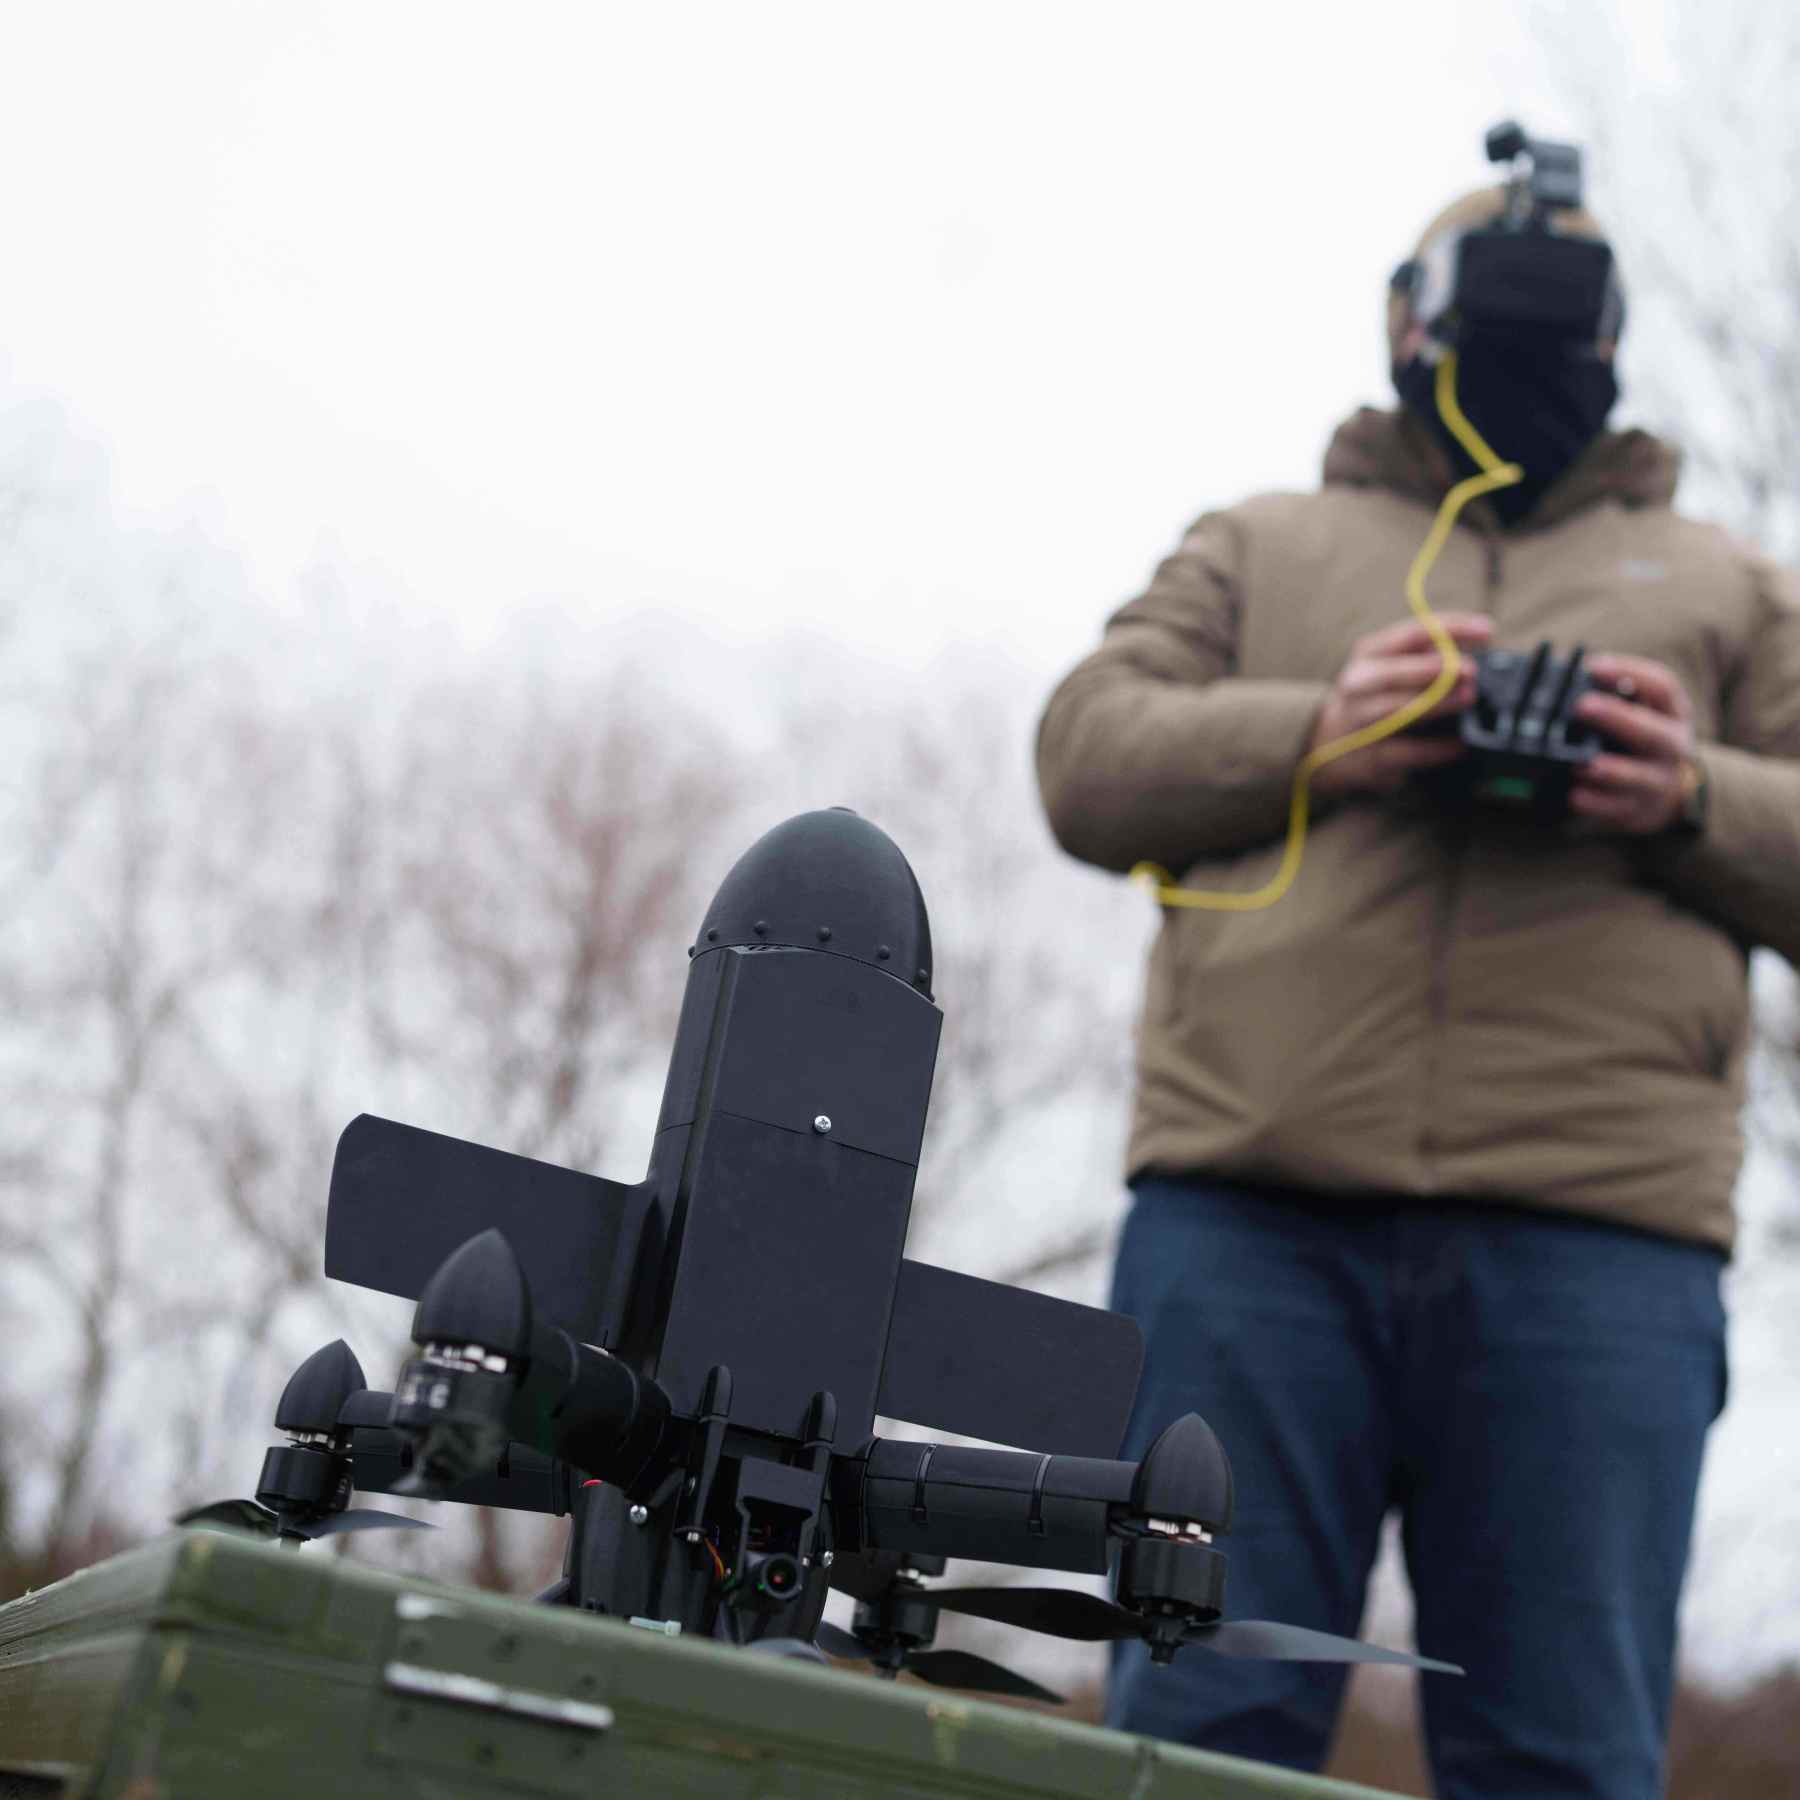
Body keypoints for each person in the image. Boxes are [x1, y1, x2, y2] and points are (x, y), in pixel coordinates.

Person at [1035, 146, 1800, 1800]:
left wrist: (1690, 793)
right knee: (1193, 1736)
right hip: (1251, 1225)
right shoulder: (1261, 544)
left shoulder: (1735, 588)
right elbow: (1084, 756)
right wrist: (1322, 727)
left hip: (1598, 1242)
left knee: (1562, 1763)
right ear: (1405, 324)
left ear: (1617, 344)